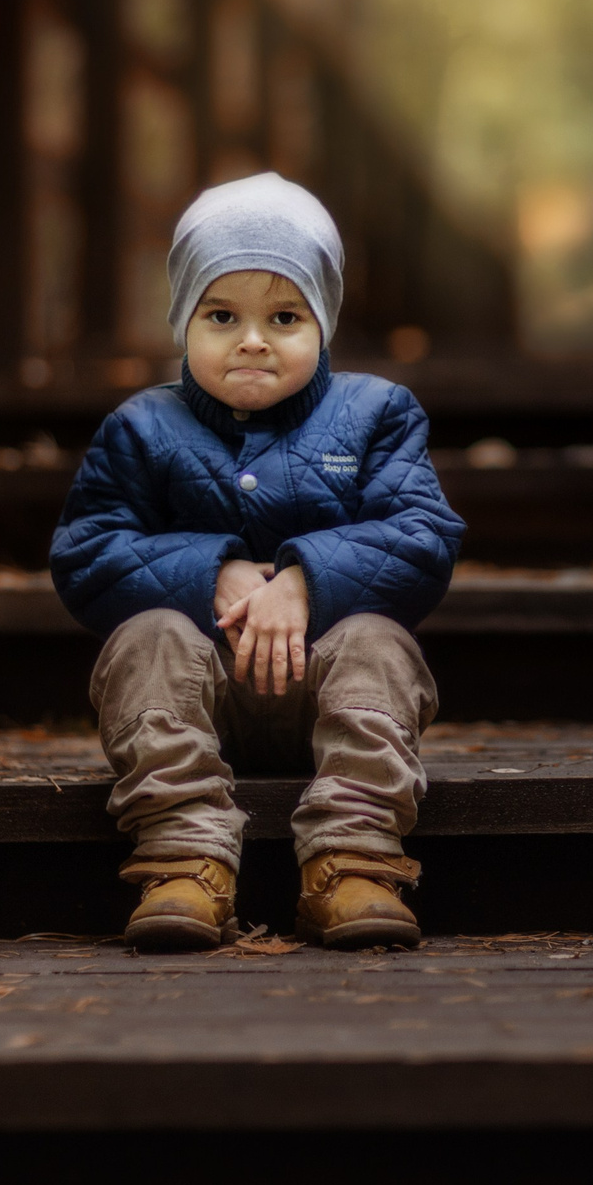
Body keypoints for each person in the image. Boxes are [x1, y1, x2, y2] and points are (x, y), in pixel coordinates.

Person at [51, 174, 463, 952]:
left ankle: (354, 857)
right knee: (147, 638)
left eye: (284, 316)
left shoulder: (376, 413)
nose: (252, 338)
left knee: (380, 642)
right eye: (220, 315)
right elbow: (87, 550)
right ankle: (182, 853)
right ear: (182, 321)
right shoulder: (141, 427)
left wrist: (307, 578)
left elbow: (423, 534)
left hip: (328, 688)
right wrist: (214, 570)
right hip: (194, 699)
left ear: (324, 323)